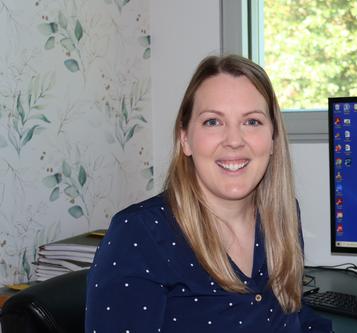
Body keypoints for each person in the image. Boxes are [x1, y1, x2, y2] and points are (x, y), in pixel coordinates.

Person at [85, 55, 333, 332]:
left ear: (273, 138)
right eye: (213, 122)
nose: (234, 141)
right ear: (185, 139)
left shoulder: (282, 215)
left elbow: (292, 317)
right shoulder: (139, 233)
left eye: (251, 122)